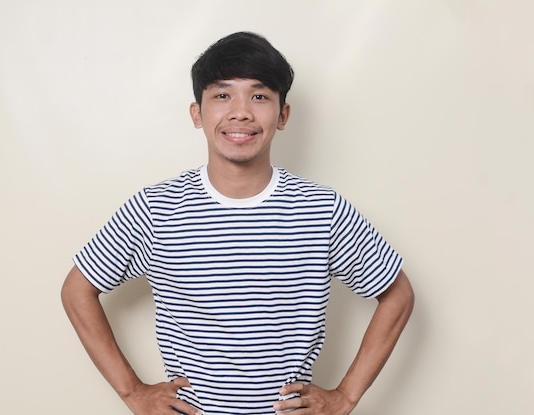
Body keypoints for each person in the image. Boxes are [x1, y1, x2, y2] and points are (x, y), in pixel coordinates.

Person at [61, 31, 414, 415]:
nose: (241, 111)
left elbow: (397, 295)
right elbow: (77, 290)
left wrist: (346, 397)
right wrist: (133, 392)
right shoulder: (155, 208)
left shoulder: (321, 210)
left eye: (259, 96)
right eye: (222, 94)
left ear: (283, 115)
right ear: (197, 113)